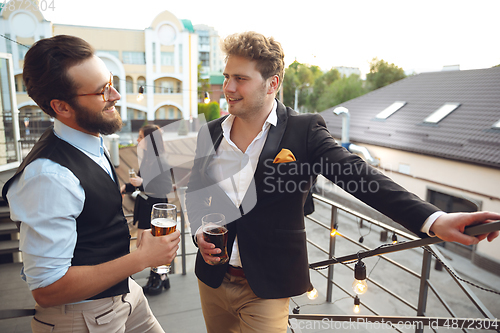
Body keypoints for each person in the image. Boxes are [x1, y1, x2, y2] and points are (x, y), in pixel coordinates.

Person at [185, 31, 500, 333]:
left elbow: (361, 177)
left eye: (240, 78)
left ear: (272, 84)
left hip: (267, 286)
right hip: (210, 279)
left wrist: (435, 219)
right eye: (227, 76)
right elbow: (196, 191)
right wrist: (199, 230)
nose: (228, 86)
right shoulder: (211, 133)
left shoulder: (303, 131)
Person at [2, 35, 180, 333]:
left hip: (124, 295)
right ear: (62, 107)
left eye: (110, 82)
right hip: (83, 317)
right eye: (101, 91)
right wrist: (142, 259)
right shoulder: (48, 176)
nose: (116, 95)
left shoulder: (90, 141)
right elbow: (47, 288)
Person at [121, 124, 172, 295]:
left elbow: (164, 186)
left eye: (141, 136)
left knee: (151, 243)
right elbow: (141, 182)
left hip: (156, 207)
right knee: (144, 243)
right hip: (146, 206)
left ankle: (160, 277)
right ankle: (159, 277)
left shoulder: (160, 160)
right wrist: (125, 188)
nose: (138, 139)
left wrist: (141, 183)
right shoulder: (148, 158)